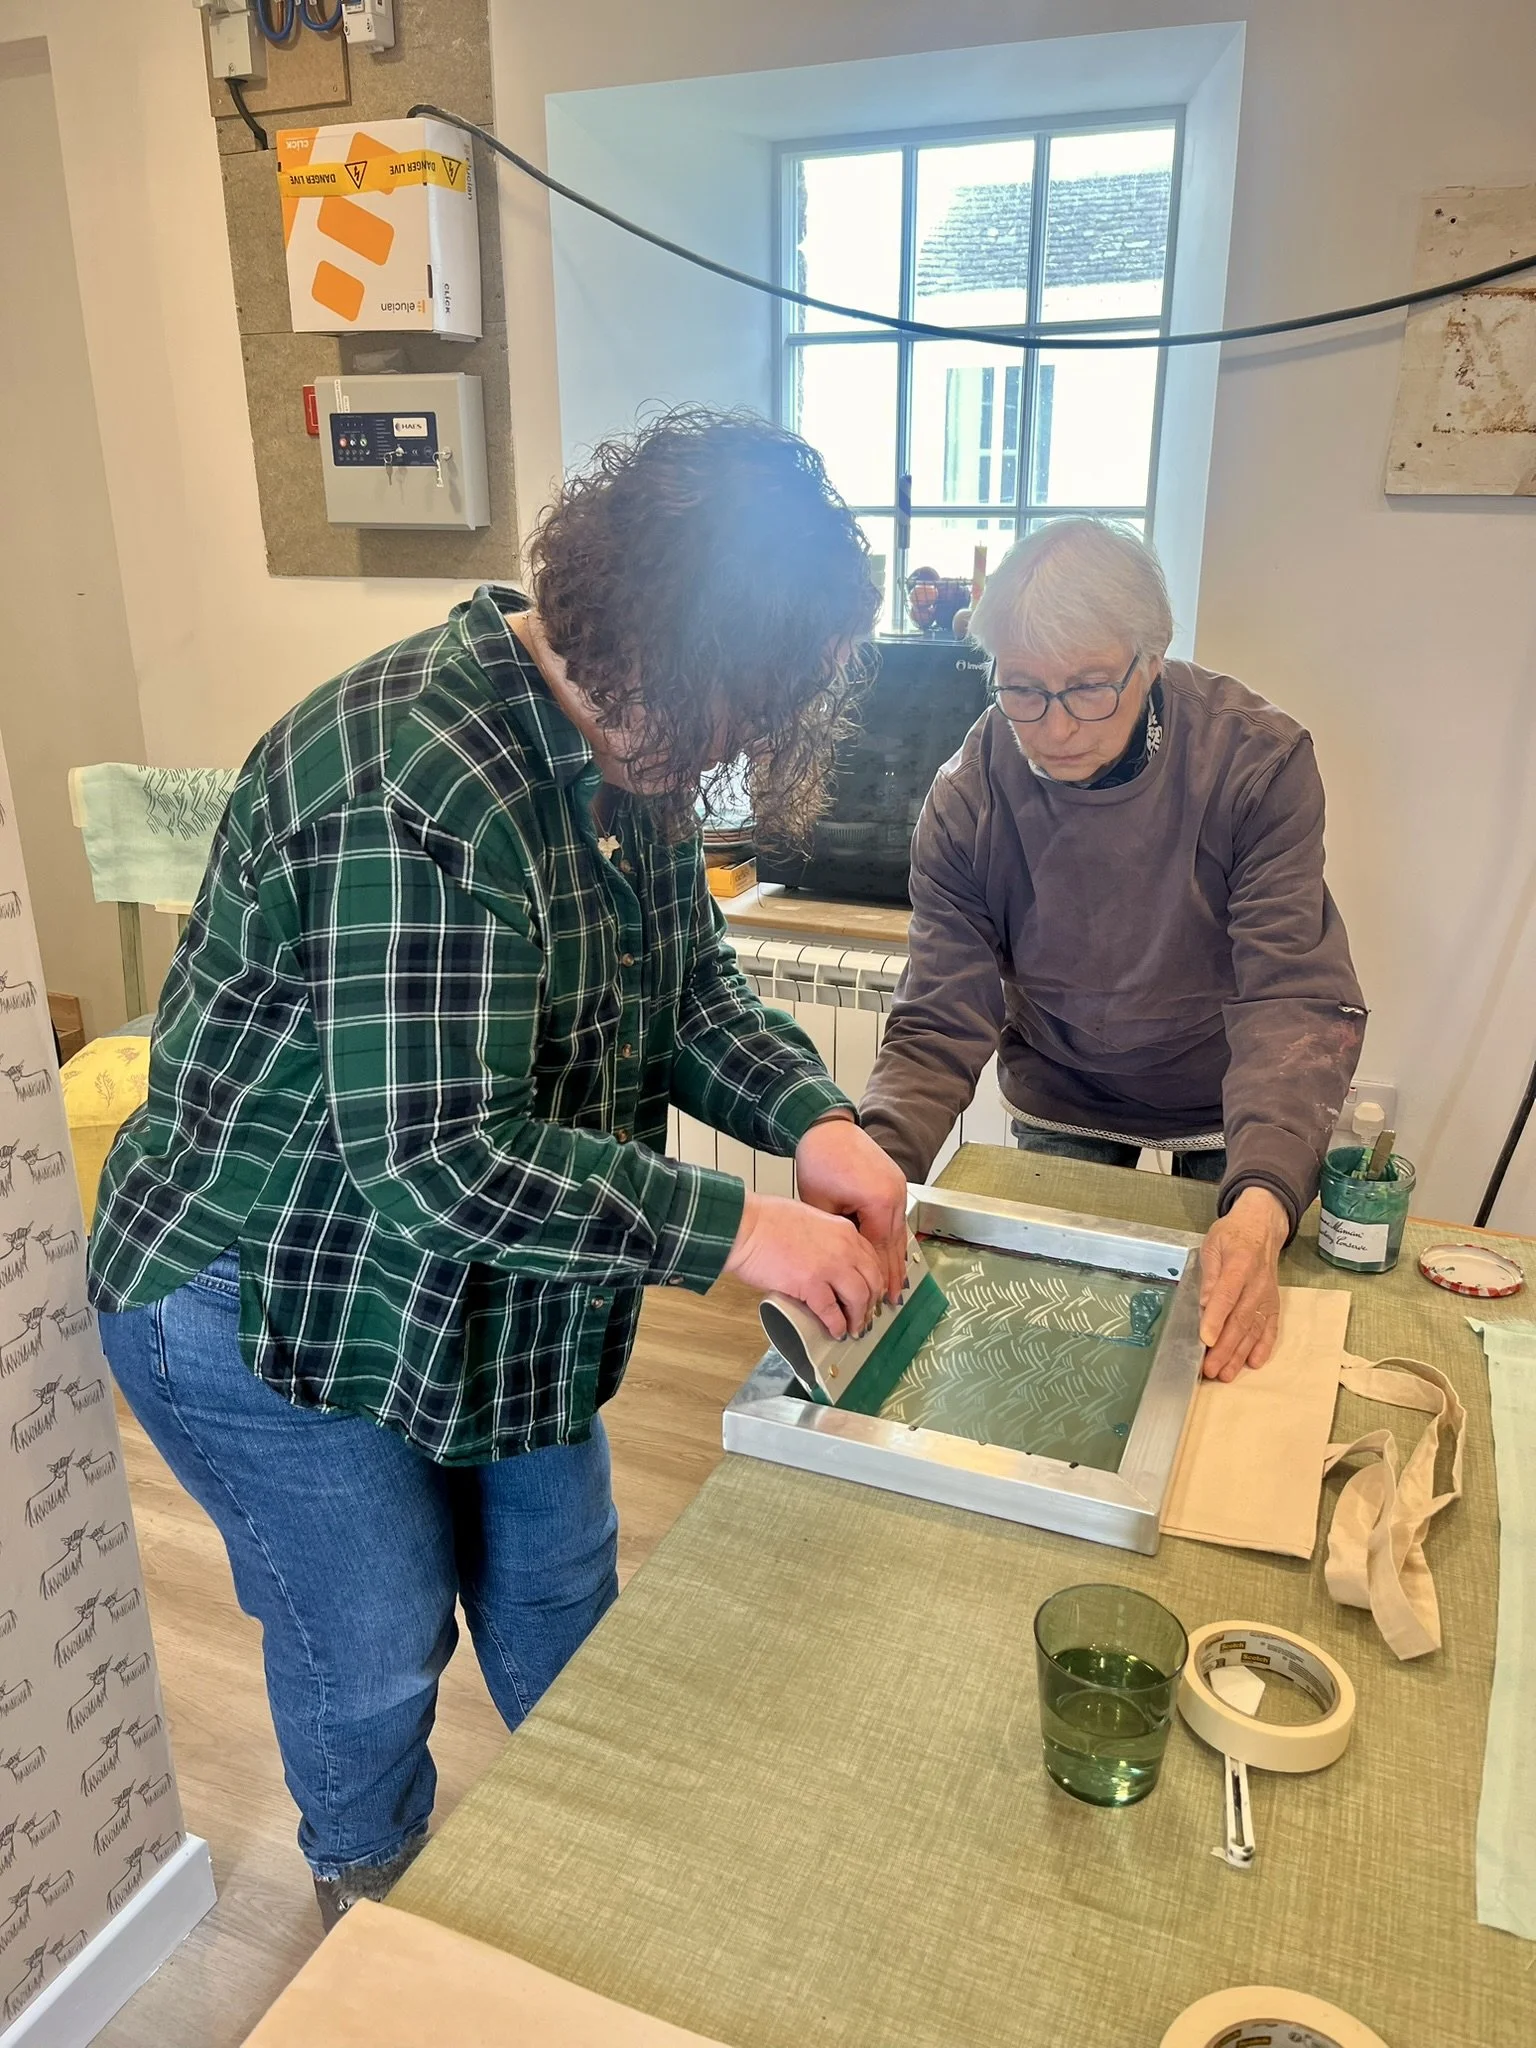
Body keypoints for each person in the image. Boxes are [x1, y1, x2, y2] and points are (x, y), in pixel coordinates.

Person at [87, 410, 908, 1926]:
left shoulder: (635, 741)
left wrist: (818, 1119)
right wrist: (743, 1233)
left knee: (554, 1587)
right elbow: (437, 1158)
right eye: (737, 700)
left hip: (481, 1275)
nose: (735, 746)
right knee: (375, 1635)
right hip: (269, 1288)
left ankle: (593, 1879)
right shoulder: (415, 778)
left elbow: (693, 992)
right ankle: (375, 1916)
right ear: (643, 625)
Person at [859, 518, 1365, 1383]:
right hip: (1066, 1086)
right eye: (1021, 690)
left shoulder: (1258, 764)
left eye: (1089, 687)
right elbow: (940, 1014)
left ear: (1151, 656)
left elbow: (1291, 1002)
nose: (1053, 728)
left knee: (1224, 1350)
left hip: (1225, 1093)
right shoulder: (968, 796)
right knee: (1060, 1357)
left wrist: (1260, 1207)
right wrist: (872, 1175)